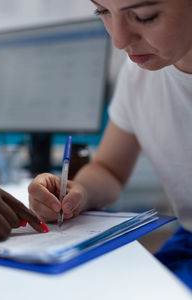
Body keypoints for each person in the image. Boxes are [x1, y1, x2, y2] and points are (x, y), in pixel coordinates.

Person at [28, 0, 192, 289]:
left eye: (145, 16)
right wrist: (78, 193)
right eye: (102, 11)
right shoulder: (139, 74)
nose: (118, 41)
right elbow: (109, 169)